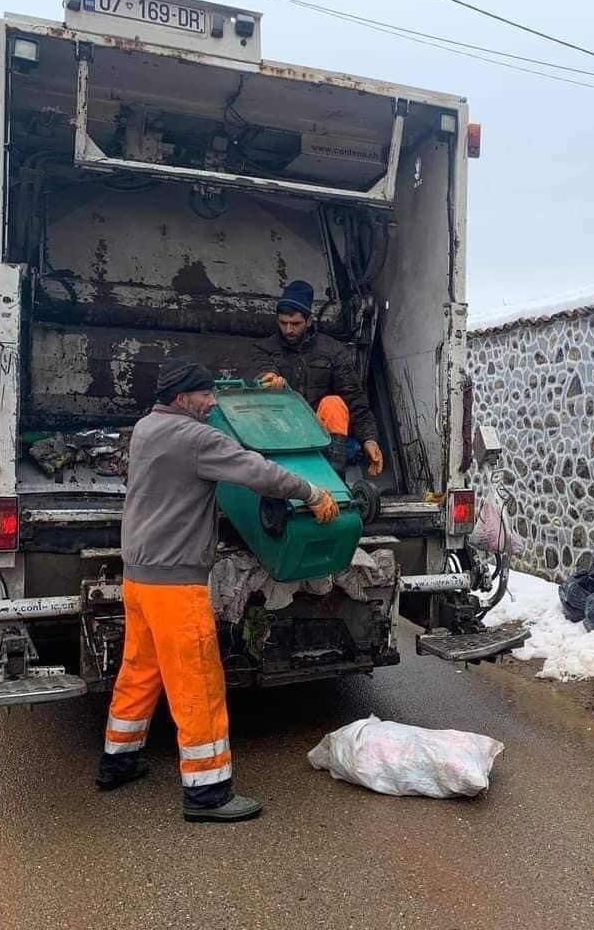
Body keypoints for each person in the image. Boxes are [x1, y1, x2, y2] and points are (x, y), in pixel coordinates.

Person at [96, 357, 340, 823]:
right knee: (198, 684)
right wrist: (311, 493)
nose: (213, 402)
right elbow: (257, 472)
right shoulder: (196, 438)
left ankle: (117, 761)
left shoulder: (147, 426)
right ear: (184, 398)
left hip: (140, 577)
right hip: (175, 584)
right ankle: (207, 793)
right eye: (206, 395)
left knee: (139, 671)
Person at [252, 280, 385, 477]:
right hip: (280, 428)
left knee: (334, 404)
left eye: (295, 324)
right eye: (283, 323)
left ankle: (333, 478)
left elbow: (354, 398)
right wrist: (267, 382)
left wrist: (370, 440)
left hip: (320, 434)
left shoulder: (332, 350)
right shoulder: (264, 349)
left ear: (308, 320)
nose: (288, 330)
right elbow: (260, 374)